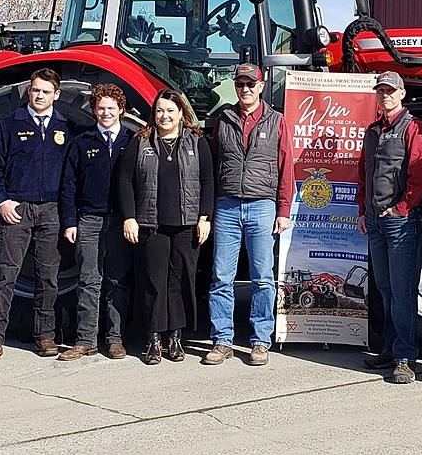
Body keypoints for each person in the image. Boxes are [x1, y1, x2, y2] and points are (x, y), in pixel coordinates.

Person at [0, 68, 72, 363]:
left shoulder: (66, 128)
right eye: (35, 90)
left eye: (45, 91)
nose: (39, 95)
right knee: (5, 276)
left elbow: (73, 174)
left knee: (48, 277)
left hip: (51, 210)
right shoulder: (9, 125)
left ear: (56, 94)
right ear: (28, 92)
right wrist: (1, 201)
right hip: (16, 209)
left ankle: (45, 335)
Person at [205, 63, 294, 367]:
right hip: (227, 205)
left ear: (261, 86)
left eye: (250, 84)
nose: (244, 89)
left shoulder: (278, 122)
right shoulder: (223, 120)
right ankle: (222, 340)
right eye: (240, 84)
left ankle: (259, 340)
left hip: (262, 206)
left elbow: (287, 170)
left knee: (262, 278)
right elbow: (213, 165)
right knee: (221, 277)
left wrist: (283, 210)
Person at [117, 88, 214, 365]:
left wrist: (204, 217)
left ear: (181, 113)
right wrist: (129, 217)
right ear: (153, 113)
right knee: (154, 283)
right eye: (160, 110)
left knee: (181, 281)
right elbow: (125, 180)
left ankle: (175, 337)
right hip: (152, 225)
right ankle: (153, 339)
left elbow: (208, 182)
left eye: (171, 111)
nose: (165, 116)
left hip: (186, 226)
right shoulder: (141, 141)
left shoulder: (197, 142)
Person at [357, 70, 422, 384]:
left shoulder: (414, 128)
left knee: (402, 292)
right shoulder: (373, 130)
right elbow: (364, 173)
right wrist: (363, 211)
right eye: (381, 91)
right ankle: (389, 349)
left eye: (390, 91)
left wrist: (400, 208)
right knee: (386, 290)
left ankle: (405, 358)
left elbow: (421, 176)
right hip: (374, 221)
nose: (385, 95)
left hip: (400, 223)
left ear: (402, 94)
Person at [57, 83, 132, 361]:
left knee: (117, 280)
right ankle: (86, 339)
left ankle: (115, 339)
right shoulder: (82, 143)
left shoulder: (131, 141)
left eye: (111, 108)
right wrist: (69, 221)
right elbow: (68, 185)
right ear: (94, 110)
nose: (106, 112)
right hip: (89, 219)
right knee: (89, 280)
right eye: (101, 108)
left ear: (121, 110)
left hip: (120, 221)